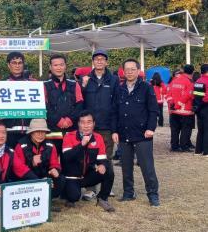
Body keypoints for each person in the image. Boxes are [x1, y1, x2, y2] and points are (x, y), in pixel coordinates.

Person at [114, 59, 159, 206]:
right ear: (123, 71)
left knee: (147, 166)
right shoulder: (119, 89)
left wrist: (150, 128)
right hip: (124, 133)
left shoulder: (146, 87)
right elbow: (114, 111)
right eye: (127, 69)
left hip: (142, 134)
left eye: (132, 69)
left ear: (138, 71)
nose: (129, 72)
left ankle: (153, 194)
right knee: (126, 166)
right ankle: (128, 193)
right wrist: (115, 130)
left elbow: (153, 110)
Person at [80, 49, 119, 200]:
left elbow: (116, 104)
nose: (99, 61)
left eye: (102, 59)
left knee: (106, 157)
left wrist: (114, 128)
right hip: (89, 126)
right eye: (97, 59)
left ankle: (107, 186)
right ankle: (90, 189)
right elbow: (80, 101)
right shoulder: (86, 79)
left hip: (106, 126)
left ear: (106, 62)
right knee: (89, 158)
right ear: (93, 62)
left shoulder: (113, 80)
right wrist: (83, 86)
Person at [62, 111, 115, 212]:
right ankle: (68, 193)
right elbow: (67, 157)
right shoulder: (69, 136)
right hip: (72, 177)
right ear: (78, 124)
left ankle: (102, 198)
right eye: (82, 122)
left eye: (89, 122)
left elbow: (102, 158)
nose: (86, 126)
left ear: (94, 124)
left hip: (87, 176)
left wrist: (102, 165)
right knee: (73, 197)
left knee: (108, 170)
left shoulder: (98, 137)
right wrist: (81, 145)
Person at [12, 118, 65, 206]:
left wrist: (55, 170)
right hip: (27, 178)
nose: (40, 135)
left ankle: (46, 201)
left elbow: (55, 163)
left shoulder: (50, 145)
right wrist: (31, 163)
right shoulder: (20, 145)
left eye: (43, 132)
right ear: (31, 132)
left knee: (60, 179)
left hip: (44, 176)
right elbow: (19, 170)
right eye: (37, 132)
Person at [44, 54, 84, 156]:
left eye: (61, 65)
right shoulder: (44, 85)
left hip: (71, 129)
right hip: (52, 130)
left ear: (65, 66)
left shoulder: (74, 84)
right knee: (52, 158)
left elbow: (80, 105)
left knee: (70, 158)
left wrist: (70, 119)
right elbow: (44, 107)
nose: (59, 68)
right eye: (55, 65)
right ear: (50, 67)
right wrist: (58, 120)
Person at [2, 52, 36, 148]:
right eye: (14, 63)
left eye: (20, 63)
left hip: (29, 131)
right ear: (8, 65)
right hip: (9, 132)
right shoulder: (2, 85)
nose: (17, 66)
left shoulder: (32, 84)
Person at [166, 64, 195, 152]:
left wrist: (172, 104)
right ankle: (184, 146)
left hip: (174, 111)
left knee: (174, 130)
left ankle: (174, 146)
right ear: (192, 72)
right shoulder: (189, 82)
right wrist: (178, 105)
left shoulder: (174, 80)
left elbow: (168, 94)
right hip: (185, 111)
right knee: (186, 129)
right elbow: (188, 95)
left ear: (183, 71)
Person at [194, 64, 208, 156]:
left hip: (198, 108)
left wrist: (197, 106)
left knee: (201, 130)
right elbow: (207, 97)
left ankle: (198, 150)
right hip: (206, 107)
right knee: (207, 130)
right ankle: (206, 151)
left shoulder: (198, 81)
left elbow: (195, 95)